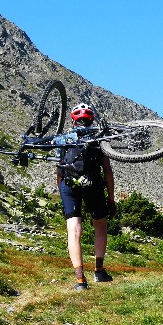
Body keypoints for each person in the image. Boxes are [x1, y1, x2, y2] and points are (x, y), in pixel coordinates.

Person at [55, 103, 116, 291]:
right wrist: (111, 199)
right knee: (100, 225)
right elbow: (108, 172)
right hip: (93, 184)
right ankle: (99, 271)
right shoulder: (98, 140)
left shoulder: (64, 139)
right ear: (92, 121)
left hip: (68, 185)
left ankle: (80, 280)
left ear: (74, 121)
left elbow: (59, 171)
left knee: (74, 231)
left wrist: (63, 194)